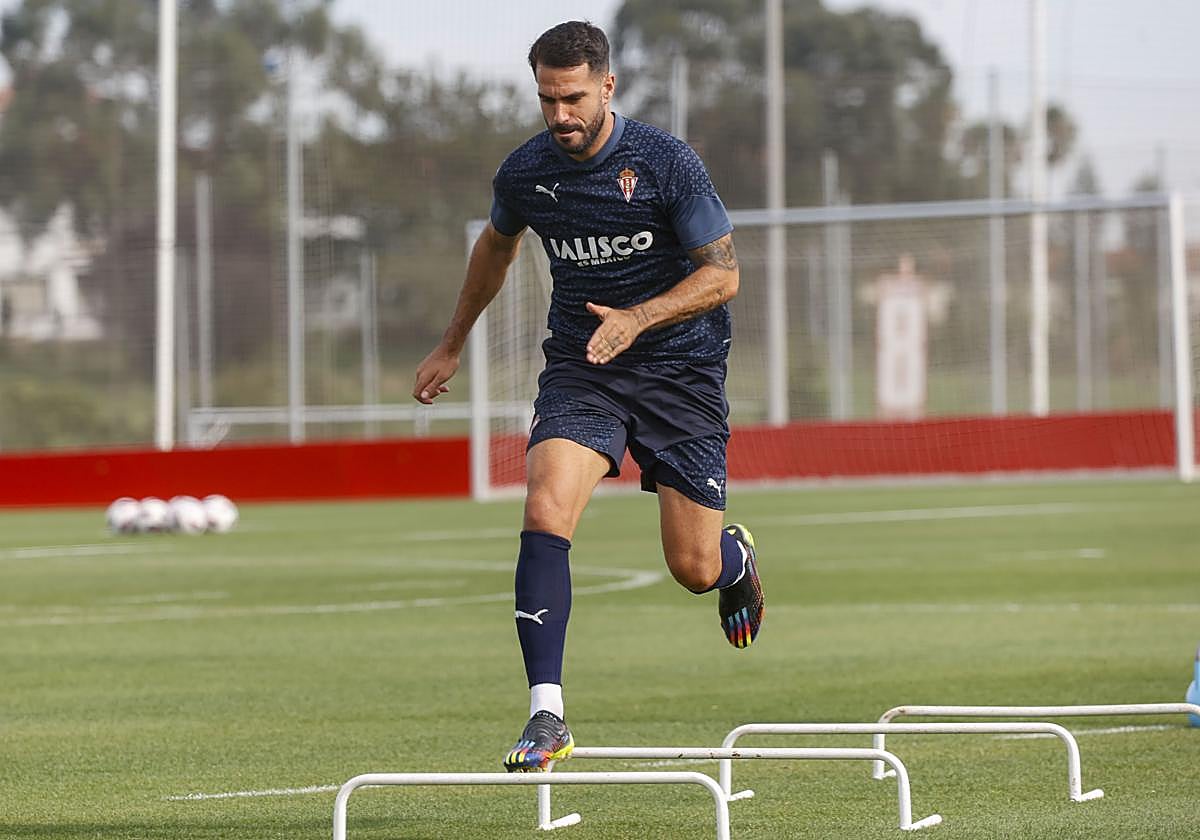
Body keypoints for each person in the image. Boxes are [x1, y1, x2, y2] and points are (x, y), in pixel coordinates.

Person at [412, 20, 764, 773]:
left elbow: (724, 275)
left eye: (573, 98)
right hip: (584, 370)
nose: (560, 116)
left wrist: (638, 317)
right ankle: (548, 715)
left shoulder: (667, 164)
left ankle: (732, 560)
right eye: (547, 100)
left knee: (692, 569)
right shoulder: (525, 172)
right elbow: (494, 249)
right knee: (543, 509)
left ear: (607, 86)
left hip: (681, 372)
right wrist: (452, 342)